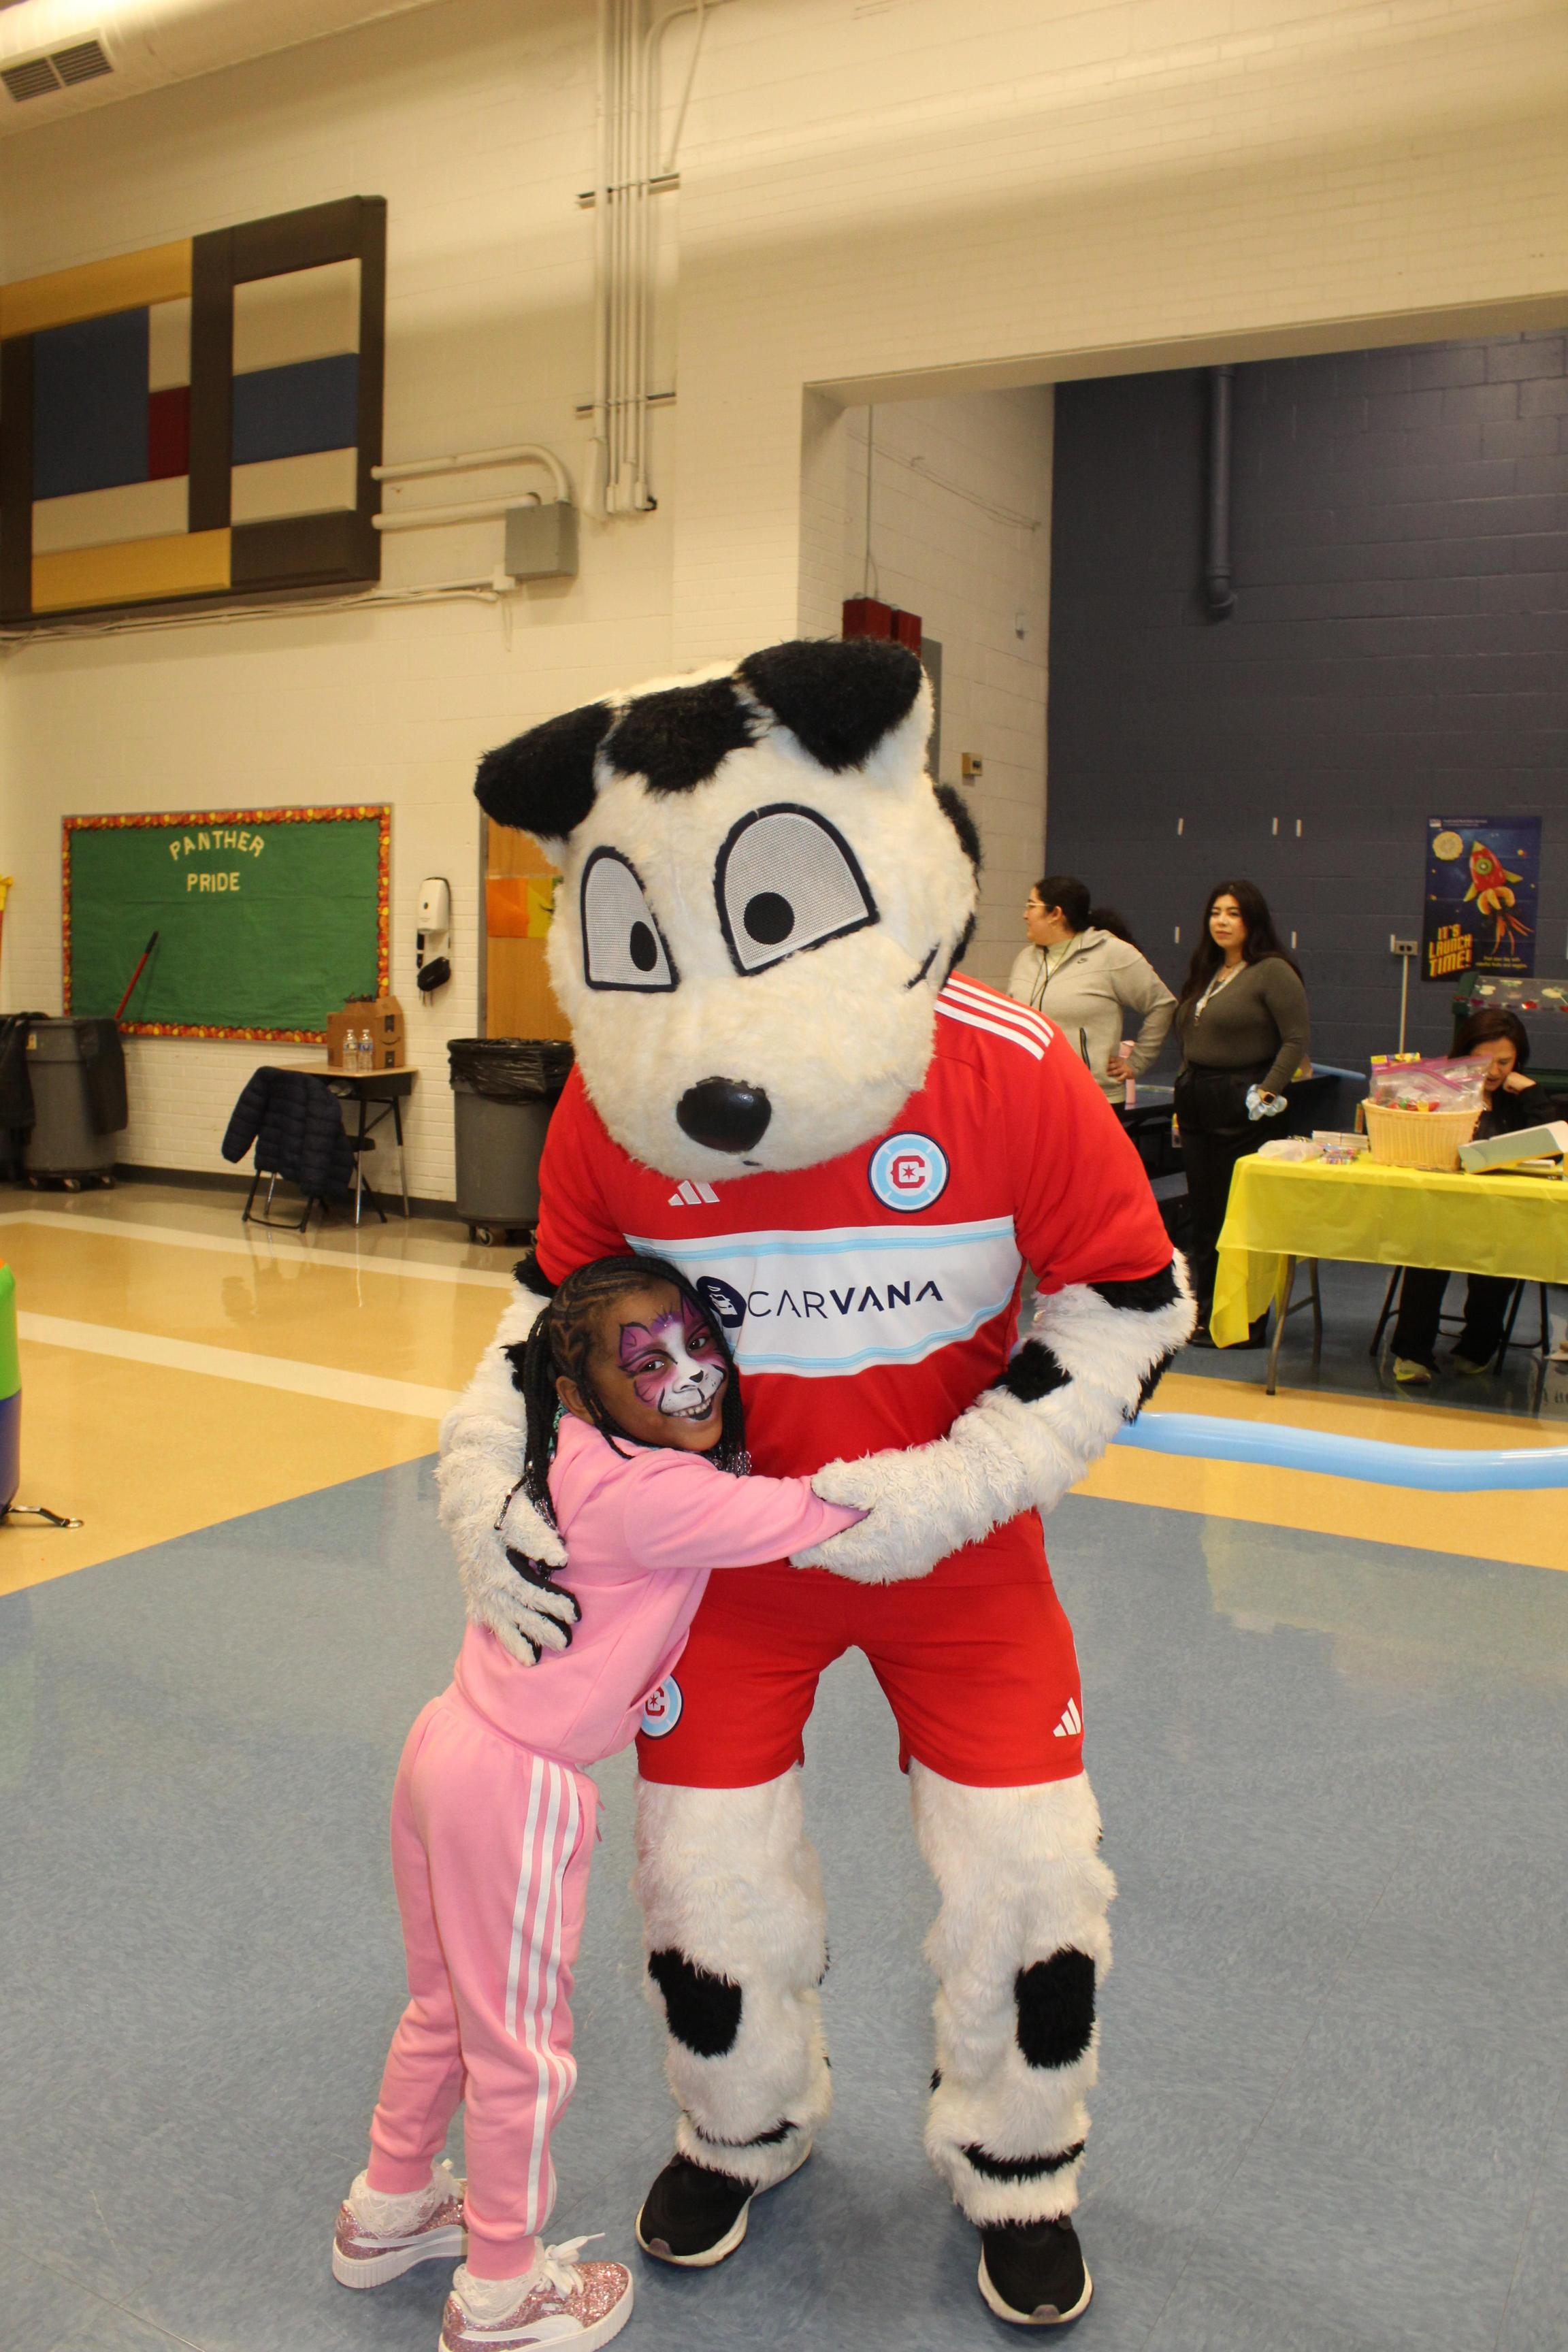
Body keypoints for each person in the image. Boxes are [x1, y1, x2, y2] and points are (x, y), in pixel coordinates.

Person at [331, 1254, 864, 2352]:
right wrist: (972, 1468)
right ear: (579, 1390)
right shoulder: (657, 1494)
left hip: (447, 1745)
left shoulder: (568, 1445)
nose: (689, 1375)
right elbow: (818, 1512)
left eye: (697, 1343)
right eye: (647, 1363)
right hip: (519, 1790)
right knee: (521, 2050)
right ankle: (501, 2289)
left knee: (444, 2007)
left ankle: (390, 2203)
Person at [1173, 879, 1310, 1345]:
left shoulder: (1272, 971)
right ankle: (1207, 1310)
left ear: (1253, 919)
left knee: (1240, 1217)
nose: (1222, 921)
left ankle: (1246, 1321)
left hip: (1244, 1105)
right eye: (1216, 912)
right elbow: (1191, 1037)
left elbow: (1295, 1039)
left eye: (1233, 913)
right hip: (1199, 1101)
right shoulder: (1209, 969)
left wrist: (1268, 1093)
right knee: (1206, 1216)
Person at [1390, 1009, 1555, 1384]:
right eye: (1483, 1061)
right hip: (1442, 1208)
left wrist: (1532, 1093)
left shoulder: (1519, 1098)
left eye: (1504, 1062)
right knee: (1426, 1254)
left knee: (1497, 1262)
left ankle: (1477, 1347)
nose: (1494, 1071)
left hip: (1502, 1215)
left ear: (1518, 1060)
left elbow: (1550, 1146)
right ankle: (1412, 1352)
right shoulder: (1439, 1091)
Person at [1007, 874, 1176, 1100]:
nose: (1025, 914)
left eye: (1031, 905)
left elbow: (1162, 1004)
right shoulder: (1025, 959)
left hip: (1091, 1097)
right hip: (1031, 1094)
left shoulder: (1112, 953)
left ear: (1055, 914)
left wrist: (1138, 1062)